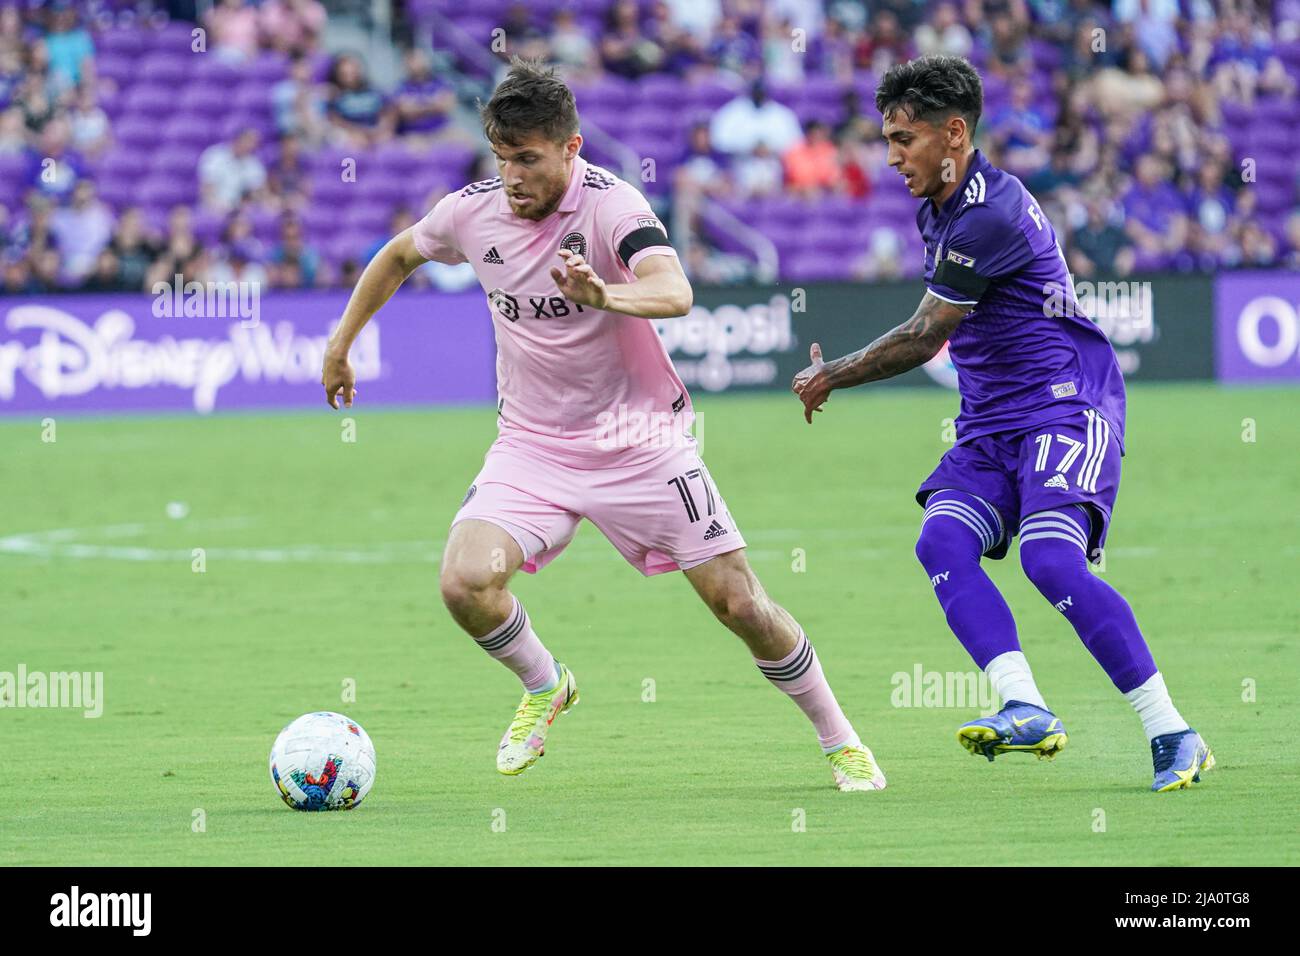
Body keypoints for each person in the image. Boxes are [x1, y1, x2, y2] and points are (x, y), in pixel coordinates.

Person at [321, 58, 886, 791]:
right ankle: (545, 683)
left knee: (739, 602)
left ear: (571, 148)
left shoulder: (611, 206)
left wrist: (604, 296)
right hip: (532, 446)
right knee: (465, 583)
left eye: (527, 159)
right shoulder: (471, 211)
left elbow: (674, 290)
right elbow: (399, 255)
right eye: (502, 158)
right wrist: (341, 343)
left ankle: (841, 740)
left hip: (641, 444)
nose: (513, 176)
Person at [791, 56, 1212, 793]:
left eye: (904, 139)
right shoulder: (941, 204)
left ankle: (1172, 731)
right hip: (990, 419)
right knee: (942, 538)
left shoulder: (987, 211)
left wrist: (833, 374)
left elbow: (926, 335)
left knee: (1050, 561)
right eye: (887, 139)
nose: (891, 157)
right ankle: (1026, 705)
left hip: (1064, 405)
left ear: (954, 133)